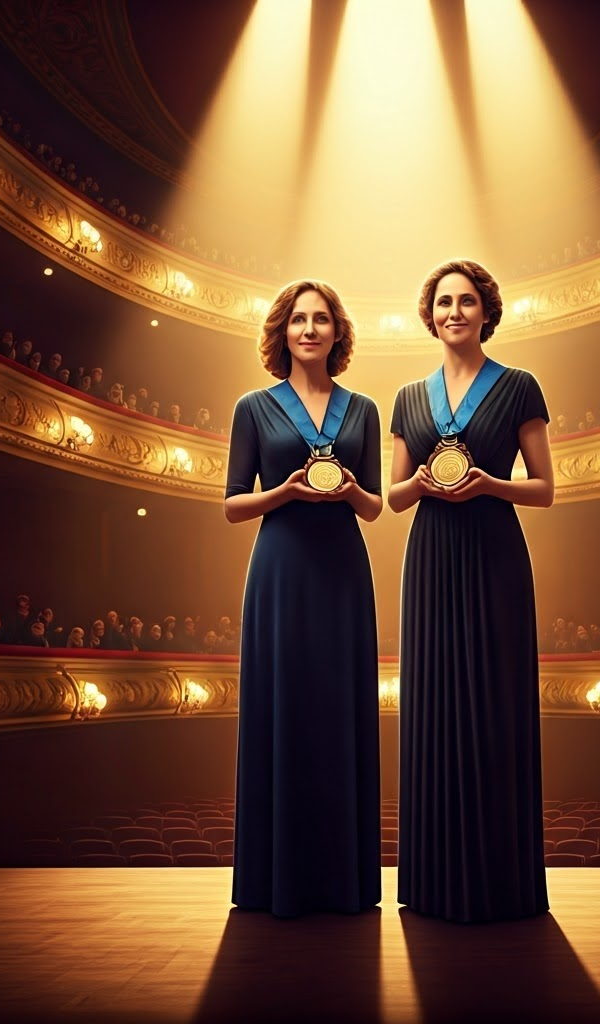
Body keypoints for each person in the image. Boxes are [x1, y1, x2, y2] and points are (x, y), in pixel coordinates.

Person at [389, 258, 554, 923]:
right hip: (429, 556)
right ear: (430, 315)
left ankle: (502, 884)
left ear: (486, 310)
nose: (454, 312)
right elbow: (395, 496)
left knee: (494, 708)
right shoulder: (407, 397)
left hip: (493, 552)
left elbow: (544, 489)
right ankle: (432, 885)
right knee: (432, 711)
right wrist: (425, 485)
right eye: (444, 303)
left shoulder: (519, 386)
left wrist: (488, 484)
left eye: (466, 301)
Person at [224, 279, 382, 918]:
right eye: (298, 320)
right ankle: (274, 883)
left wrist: (346, 492)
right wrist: (284, 492)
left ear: (337, 332)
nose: (310, 329)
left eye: (321, 320)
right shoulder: (253, 406)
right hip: (282, 571)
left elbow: (374, 507)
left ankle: (343, 883)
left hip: (343, 572)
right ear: (282, 332)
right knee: (282, 712)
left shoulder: (364, 408)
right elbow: (234, 505)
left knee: (338, 716)